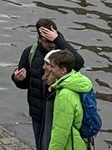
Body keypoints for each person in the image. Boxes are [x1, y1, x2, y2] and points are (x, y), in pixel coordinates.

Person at [11, 17, 84, 150]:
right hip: (38, 112)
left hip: (60, 112)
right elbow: (25, 84)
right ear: (39, 39)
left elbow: (79, 63)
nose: (51, 45)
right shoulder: (30, 52)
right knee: (42, 146)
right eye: (47, 41)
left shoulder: (62, 52)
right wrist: (18, 79)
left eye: (53, 40)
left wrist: (58, 40)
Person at [41, 49, 95, 150]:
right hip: (80, 142)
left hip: (71, 145)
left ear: (63, 70)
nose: (49, 69)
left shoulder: (65, 95)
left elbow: (60, 131)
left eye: (52, 66)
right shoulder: (77, 82)